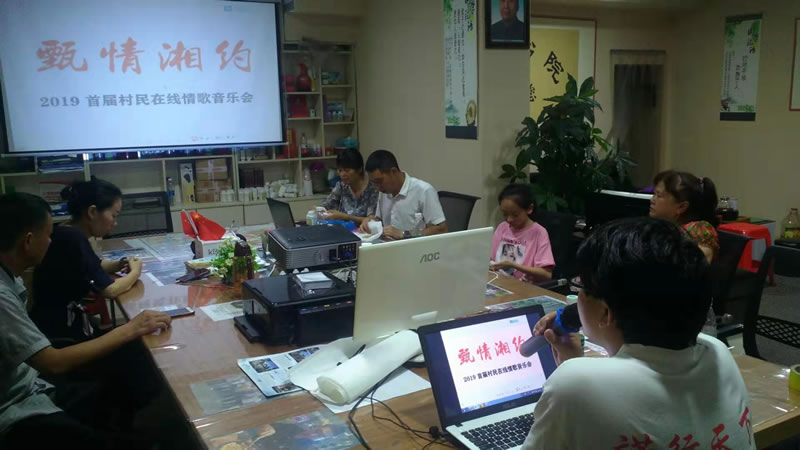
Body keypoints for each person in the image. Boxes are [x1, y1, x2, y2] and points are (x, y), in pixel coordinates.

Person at [522, 217, 754, 449]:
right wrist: (575, 365)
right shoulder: (718, 352)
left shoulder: (574, 383)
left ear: (606, 312)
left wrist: (573, 372)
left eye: (580, 286)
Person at [0, 192, 172, 448]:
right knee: (132, 354)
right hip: (18, 402)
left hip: (33, 376)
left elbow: (92, 266)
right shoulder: (2, 295)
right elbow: (52, 363)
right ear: (28, 241)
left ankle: (119, 424)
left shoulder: (11, 275)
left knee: (133, 354)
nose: (51, 241)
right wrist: (132, 327)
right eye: (47, 235)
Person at [32, 178, 142, 341]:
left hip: (54, 325)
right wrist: (135, 272)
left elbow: (94, 265)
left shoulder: (65, 229)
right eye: (113, 215)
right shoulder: (73, 238)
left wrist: (119, 264)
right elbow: (110, 290)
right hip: (64, 334)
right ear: (92, 212)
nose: (115, 223)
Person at [358, 150, 447, 240]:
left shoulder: (424, 191)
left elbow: (441, 229)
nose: (377, 188)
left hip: (414, 246)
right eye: (373, 183)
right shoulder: (384, 191)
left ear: (393, 171)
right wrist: (370, 222)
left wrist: (405, 234)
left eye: (379, 181)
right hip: (387, 245)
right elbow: (379, 220)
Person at [649, 170, 719, 263]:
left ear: (681, 207)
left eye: (659, 195)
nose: (652, 200)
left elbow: (694, 265)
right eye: (654, 194)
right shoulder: (662, 226)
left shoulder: (700, 229)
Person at [490, 184, 554, 282]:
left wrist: (513, 265)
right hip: (498, 282)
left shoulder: (539, 233)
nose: (509, 219)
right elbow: (490, 259)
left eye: (515, 215)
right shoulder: (502, 227)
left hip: (523, 287)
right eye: (505, 214)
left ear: (529, 209)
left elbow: (546, 274)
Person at [319, 148, 379, 225]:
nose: (342, 174)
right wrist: (318, 210)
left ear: (359, 169)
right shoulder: (341, 186)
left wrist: (345, 217)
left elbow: (372, 220)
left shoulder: (373, 189)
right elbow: (324, 206)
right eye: (340, 170)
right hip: (342, 230)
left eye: (347, 170)